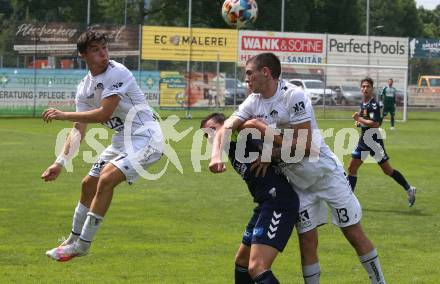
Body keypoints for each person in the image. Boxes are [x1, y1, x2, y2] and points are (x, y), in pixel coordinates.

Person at [209, 53, 386, 284]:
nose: (246, 78)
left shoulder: (294, 96)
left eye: (249, 73)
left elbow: (305, 147)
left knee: (353, 233)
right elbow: (226, 127)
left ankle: (379, 281)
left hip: (325, 175)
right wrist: (215, 156)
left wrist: (261, 129)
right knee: (308, 243)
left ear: (266, 72)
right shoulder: (254, 100)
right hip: (297, 183)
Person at [41, 30, 164, 262]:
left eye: (104, 48)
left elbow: (103, 113)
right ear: (83, 56)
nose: (103, 54)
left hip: (147, 138)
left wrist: (63, 114)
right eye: (95, 50)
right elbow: (79, 129)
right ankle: (72, 239)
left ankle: (83, 245)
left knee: (106, 179)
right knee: (88, 184)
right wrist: (60, 162)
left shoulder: (118, 72)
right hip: (122, 140)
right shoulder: (84, 87)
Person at [201, 113, 299, 284]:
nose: (210, 136)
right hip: (264, 204)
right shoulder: (230, 148)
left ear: (226, 125)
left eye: (212, 130)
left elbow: (278, 142)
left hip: (279, 202)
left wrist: (269, 154)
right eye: (206, 134)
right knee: (242, 261)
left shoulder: (242, 133)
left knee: (257, 267)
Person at [347, 77, 416, 207]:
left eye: (368, 86)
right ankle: (348, 201)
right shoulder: (364, 103)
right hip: (364, 141)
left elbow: (375, 124)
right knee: (352, 168)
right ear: (361, 88)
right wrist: (359, 121)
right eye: (363, 86)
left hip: (373, 142)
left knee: (387, 170)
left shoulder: (374, 104)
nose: (365, 89)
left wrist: (359, 119)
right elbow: (364, 117)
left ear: (372, 89)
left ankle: (409, 189)